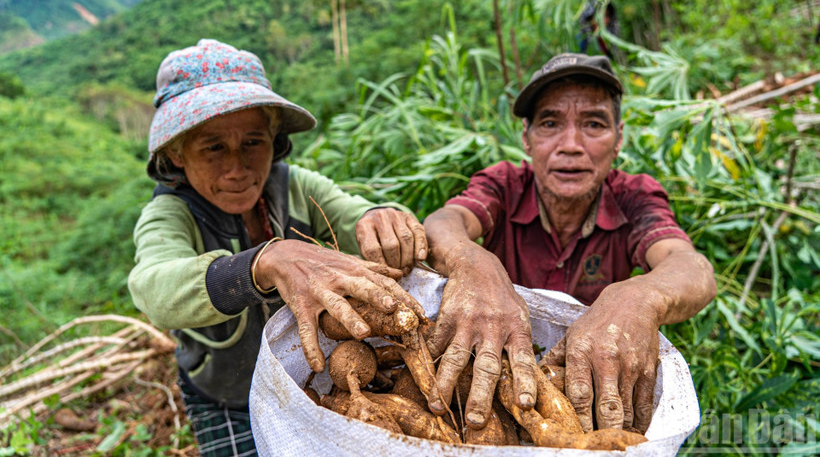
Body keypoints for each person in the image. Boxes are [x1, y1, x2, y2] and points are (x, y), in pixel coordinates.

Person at [128, 39, 427, 456]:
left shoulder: (294, 187)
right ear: (176, 153)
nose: (237, 168)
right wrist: (262, 263)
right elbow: (153, 288)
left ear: (273, 138)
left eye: (253, 142)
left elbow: (353, 212)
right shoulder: (170, 214)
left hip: (306, 380)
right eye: (213, 147)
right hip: (226, 395)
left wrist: (380, 218)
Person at [423, 53, 716, 434]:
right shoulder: (504, 185)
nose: (571, 145)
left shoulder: (633, 196)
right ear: (526, 138)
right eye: (550, 123)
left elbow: (691, 267)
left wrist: (638, 296)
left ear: (618, 140)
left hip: (593, 382)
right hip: (496, 371)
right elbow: (444, 222)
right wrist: (472, 262)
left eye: (593, 124)